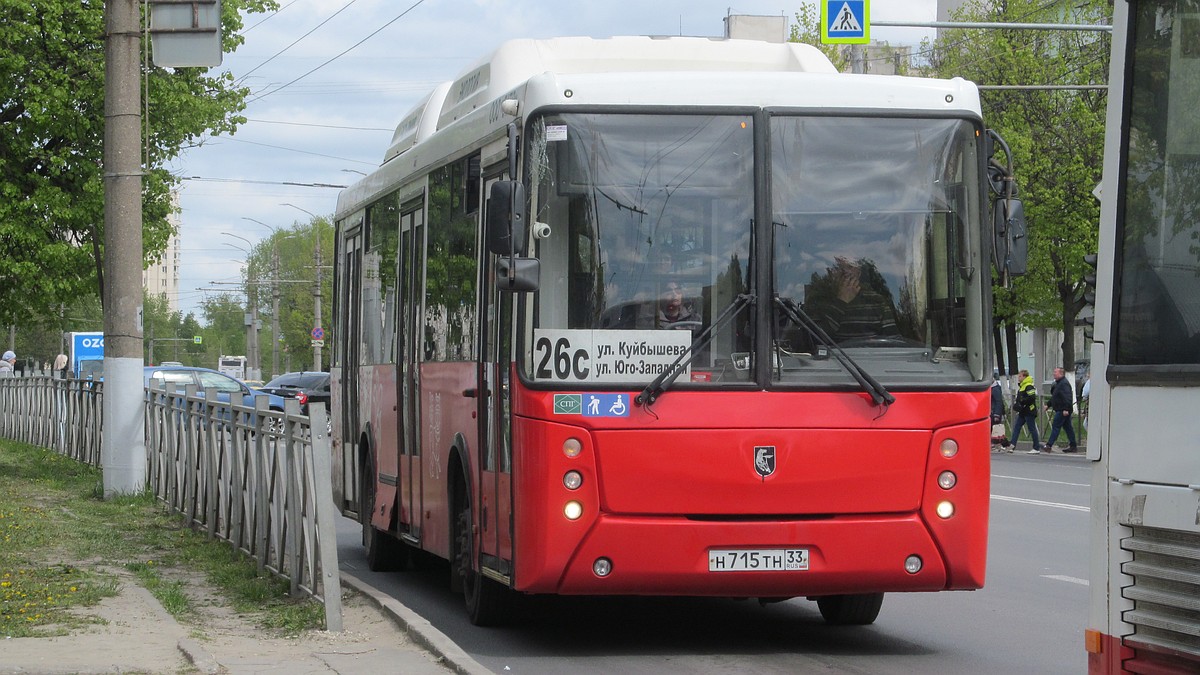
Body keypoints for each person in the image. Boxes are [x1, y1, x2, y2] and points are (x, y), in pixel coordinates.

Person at [807, 257, 899, 343]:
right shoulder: (818, 300)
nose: (845, 272)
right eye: (839, 267)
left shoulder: (876, 301)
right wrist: (841, 301)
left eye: (850, 267)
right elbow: (814, 340)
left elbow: (894, 343)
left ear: (858, 273)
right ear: (831, 272)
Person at [1044, 366, 1079, 452]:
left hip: (1063, 410)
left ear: (1061, 374)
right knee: (1068, 428)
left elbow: (1067, 397)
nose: (1054, 374)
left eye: (1055, 372)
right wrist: (1048, 405)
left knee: (1056, 426)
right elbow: (1055, 397)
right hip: (1062, 409)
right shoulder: (1059, 383)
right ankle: (1073, 445)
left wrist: (1066, 409)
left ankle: (1049, 445)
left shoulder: (1064, 384)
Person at [1009, 369, 1043, 454]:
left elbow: (1032, 397)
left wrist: (1022, 402)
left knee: (1032, 429)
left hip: (1029, 411)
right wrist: (1018, 404)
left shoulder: (1028, 386)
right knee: (1017, 427)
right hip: (1023, 411)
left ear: (1024, 377)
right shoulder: (1022, 386)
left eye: (1020, 376)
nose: (1018, 378)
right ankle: (1012, 445)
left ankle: (1036, 447)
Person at [990, 374, 1009, 451]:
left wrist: (997, 414)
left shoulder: (995, 389)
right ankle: (999, 444)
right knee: (995, 430)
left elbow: (999, 402)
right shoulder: (992, 388)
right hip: (993, 412)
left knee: (996, 430)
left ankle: (1005, 445)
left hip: (994, 413)